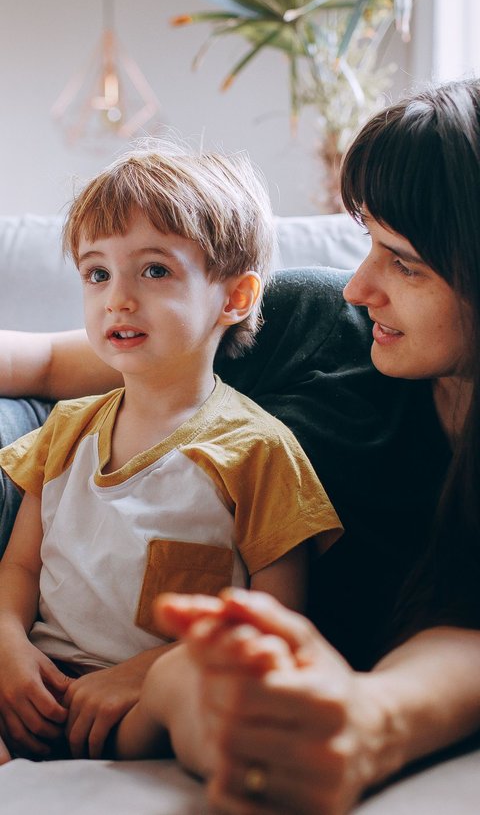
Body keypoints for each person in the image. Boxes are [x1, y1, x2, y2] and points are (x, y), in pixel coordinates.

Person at [0, 77, 479, 811]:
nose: (358, 286)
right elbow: (42, 362)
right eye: (367, 243)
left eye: (404, 261)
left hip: (233, 676)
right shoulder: (316, 321)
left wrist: (369, 716)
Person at [0, 146, 341, 763]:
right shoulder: (66, 430)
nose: (117, 299)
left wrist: (141, 675)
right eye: (97, 273)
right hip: (40, 686)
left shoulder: (257, 449)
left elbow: (275, 614)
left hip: (144, 701)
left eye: (154, 271)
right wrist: (7, 646)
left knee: (191, 688)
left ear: (235, 299)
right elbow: (19, 569)